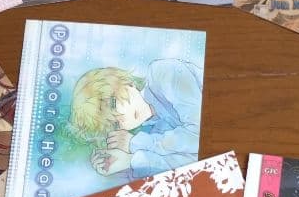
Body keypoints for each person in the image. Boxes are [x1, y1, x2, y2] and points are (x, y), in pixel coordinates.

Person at [67, 59, 203, 178]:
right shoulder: (159, 131)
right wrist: (129, 161)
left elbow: (199, 135)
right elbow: (192, 163)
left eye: (113, 104)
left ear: (126, 82)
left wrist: (135, 142)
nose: (122, 117)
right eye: (115, 124)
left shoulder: (162, 73)